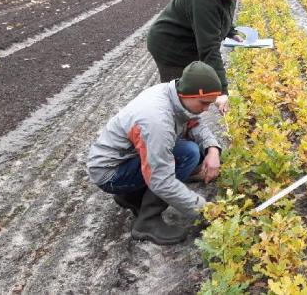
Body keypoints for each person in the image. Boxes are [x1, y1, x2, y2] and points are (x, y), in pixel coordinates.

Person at [86, 61, 223, 245]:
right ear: (186, 94)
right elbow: (161, 180)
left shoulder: (172, 93)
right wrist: (207, 210)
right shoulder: (157, 121)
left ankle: (132, 196)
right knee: (185, 156)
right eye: (204, 103)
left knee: (189, 151)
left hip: (125, 159)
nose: (206, 109)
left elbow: (194, 121)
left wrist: (212, 149)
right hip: (110, 173)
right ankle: (147, 222)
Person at [147, 0, 259, 114]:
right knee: (180, 98)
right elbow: (209, 49)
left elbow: (221, 17)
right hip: (171, 47)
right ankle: (168, 129)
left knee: (190, 96)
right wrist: (222, 91)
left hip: (188, 42)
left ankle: (185, 127)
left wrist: (231, 32)